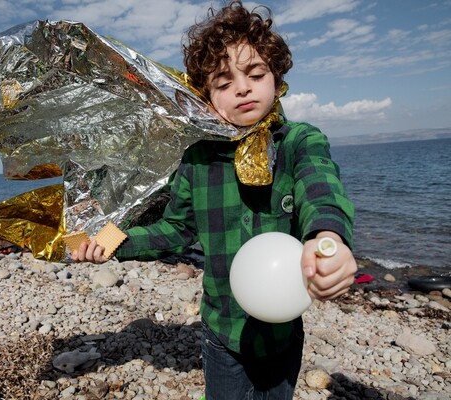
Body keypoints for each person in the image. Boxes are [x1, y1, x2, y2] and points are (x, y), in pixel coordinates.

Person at [72, 2, 357, 399]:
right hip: (220, 331)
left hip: (282, 334)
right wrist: (114, 242)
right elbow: (175, 230)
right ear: (206, 97)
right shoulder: (198, 159)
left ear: (276, 77)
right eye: (223, 83)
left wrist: (330, 240)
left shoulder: (298, 143)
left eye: (255, 74)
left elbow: (321, 189)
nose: (241, 87)